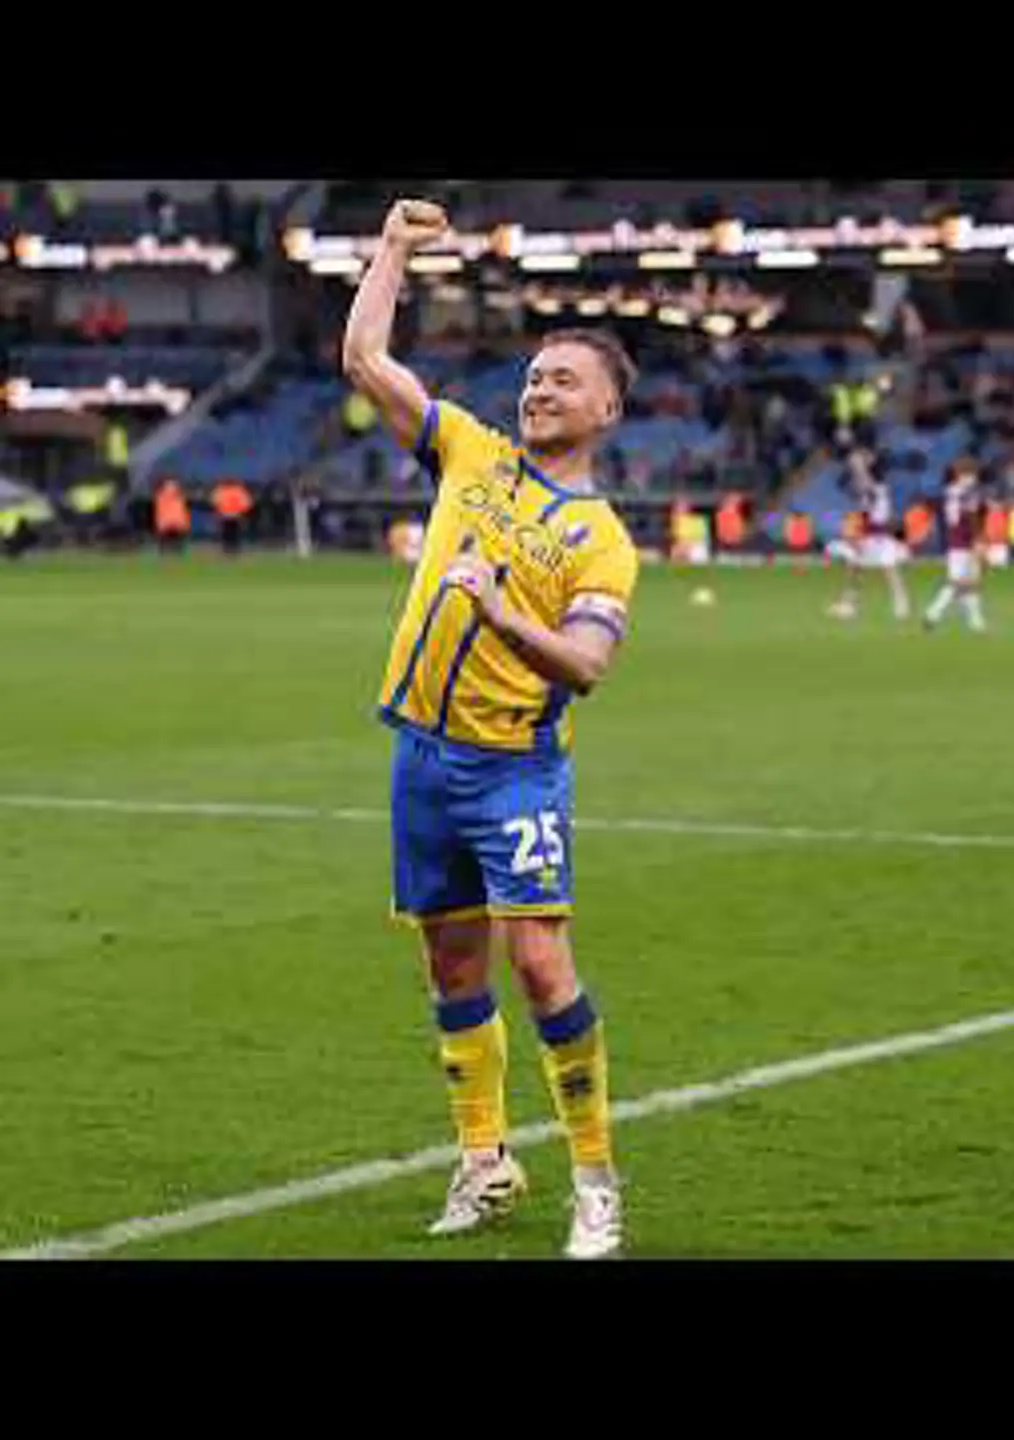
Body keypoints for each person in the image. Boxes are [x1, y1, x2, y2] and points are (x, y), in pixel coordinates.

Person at [346, 198, 641, 1259]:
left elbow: (589, 665)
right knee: (453, 969)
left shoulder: (601, 541)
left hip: (512, 771)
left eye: (564, 379)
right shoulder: (470, 452)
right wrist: (390, 251)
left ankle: (595, 1184)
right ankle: (485, 1162)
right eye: (534, 374)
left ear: (606, 410)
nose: (538, 387)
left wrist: (504, 610)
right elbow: (366, 356)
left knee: (541, 967)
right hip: (420, 755)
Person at [826, 448, 911, 621]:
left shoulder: (877, 488)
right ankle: (850, 604)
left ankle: (900, 604)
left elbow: (866, 489)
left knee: (886, 569)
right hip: (870, 534)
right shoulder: (874, 488)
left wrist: (858, 466)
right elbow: (860, 489)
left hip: (878, 535)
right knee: (859, 568)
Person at [921, 460, 988, 633]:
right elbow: (971, 516)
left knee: (964, 581)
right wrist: (978, 538)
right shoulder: (967, 493)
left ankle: (974, 620)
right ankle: (934, 612)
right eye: (971, 474)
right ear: (961, 474)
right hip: (966, 539)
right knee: (966, 581)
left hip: (953, 539)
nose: (973, 477)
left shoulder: (949, 491)